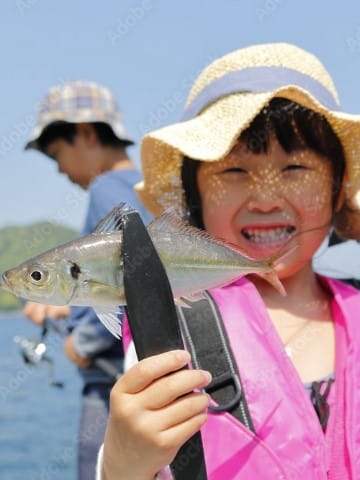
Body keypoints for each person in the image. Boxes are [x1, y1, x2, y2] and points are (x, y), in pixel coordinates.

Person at [96, 43, 360, 479]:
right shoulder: (166, 330)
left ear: (337, 188)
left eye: (295, 169)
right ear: (194, 198)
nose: (265, 199)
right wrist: (123, 462)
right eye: (233, 172)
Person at [22, 80, 152, 480]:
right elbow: (142, 271)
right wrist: (67, 303)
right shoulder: (147, 190)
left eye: (58, 154)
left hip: (110, 384)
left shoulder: (104, 191)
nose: (60, 169)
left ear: (87, 133)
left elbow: (125, 278)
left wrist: (82, 341)